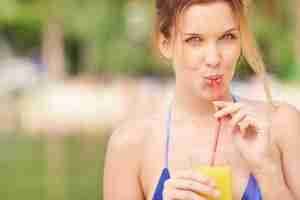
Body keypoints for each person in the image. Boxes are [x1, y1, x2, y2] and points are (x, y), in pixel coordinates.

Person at [103, 0, 300, 199]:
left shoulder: (281, 125)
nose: (213, 58)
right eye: (195, 40)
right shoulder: (130, 145)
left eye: (227, 37)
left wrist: (268, 171)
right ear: (165, 44)